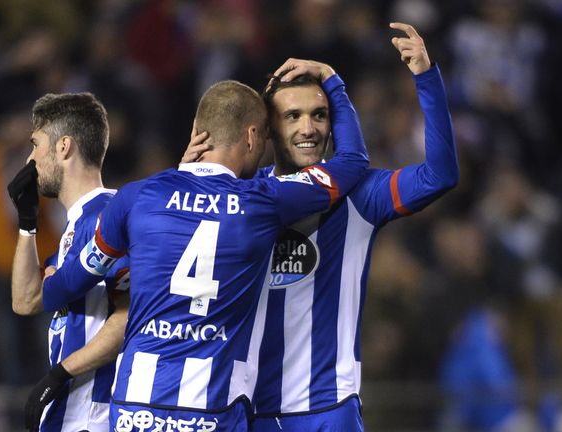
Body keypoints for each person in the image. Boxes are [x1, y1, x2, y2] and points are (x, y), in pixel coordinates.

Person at [41, 71, 368, 430]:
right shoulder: (263, 201)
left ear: (198, 130)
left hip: (136, 406)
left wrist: (52, 282)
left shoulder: (140, 197)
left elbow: (69, 284)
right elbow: (353, 161)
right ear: (252, 136)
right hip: (211, 411)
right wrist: (332, 80)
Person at [183, 21, 458, 431]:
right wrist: (187, 176)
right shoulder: (239, 195)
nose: (308, 128)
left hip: (327, 412)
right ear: (268, 130)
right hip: (244, 412)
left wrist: (425, 77)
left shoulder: (361, 194)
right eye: (292, 116)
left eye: (319, 115)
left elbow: (440, 175)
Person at [7, 92, 131, 432]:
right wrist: (28, 222)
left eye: (36, 144)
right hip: (71, 416)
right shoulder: (75, 226)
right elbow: (25, 300)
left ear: (63, 147)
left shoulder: (107, 218)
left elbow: (129, 314)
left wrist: (61, 373)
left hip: (94, 417)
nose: (30, 159)